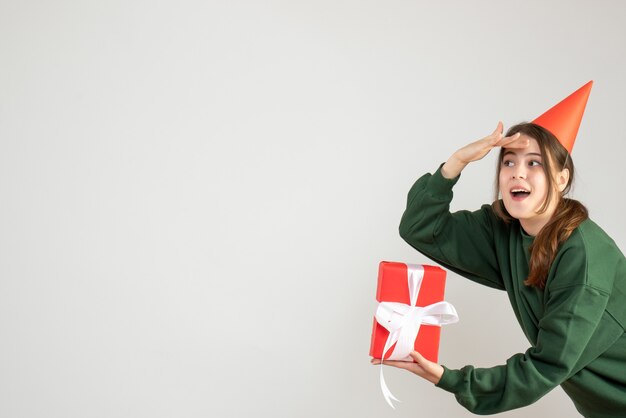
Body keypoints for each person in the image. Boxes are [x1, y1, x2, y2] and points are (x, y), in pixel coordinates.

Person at [371, 82, 626, 418]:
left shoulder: (584, 255)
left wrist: (453, 380)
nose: (518, 172)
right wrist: (456, 162)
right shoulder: (502, 227)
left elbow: (546, 366)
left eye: (534, 163)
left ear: (561, 179)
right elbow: (420, 227)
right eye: (509, 162)